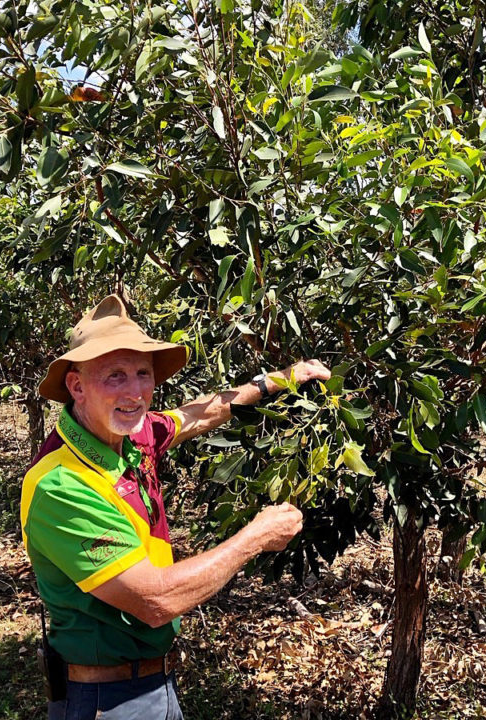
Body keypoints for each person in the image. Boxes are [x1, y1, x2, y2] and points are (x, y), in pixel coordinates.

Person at [20, 294, 330, 720]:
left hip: (153, 683)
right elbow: (155, 600)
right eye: (114, 376)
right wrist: (254, 538)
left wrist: (277, 380)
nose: (135, 392)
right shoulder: (61, 484)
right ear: (76, 386)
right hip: (107, 702)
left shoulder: (131, 435)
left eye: (143, 374)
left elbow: (197, 416)